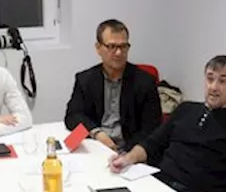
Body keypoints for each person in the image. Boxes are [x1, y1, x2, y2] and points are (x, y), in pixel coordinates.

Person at [108, 55, 226, 192]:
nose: (213, 87)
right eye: (210, 78)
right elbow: (152, 144)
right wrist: (127, 159)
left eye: (222, 81)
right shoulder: (185, 109)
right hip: (157, 185)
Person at [64, 19, 162, 151]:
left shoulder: (145, 82)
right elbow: (72, 116)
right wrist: (97, 133)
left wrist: (124, 153)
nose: (119, 53)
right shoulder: (85, 79)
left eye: (123, 46)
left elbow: (152, 128)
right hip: (95, 145)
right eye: (112, 46)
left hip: (128, 149)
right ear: (98, 48)